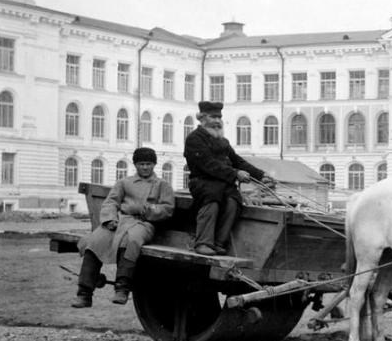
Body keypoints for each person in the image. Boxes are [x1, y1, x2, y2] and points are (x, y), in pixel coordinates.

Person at [71, 147, 174, 308]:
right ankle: (84, 293)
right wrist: (110, 219)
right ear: (135, 165)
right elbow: (111, 202)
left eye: (148, 164)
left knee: (131, 241)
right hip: (120, 220)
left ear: (154, 164)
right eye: (141, 164)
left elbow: (168, 208)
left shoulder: (162, 185)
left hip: (144, 223)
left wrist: (152, 210)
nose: (145, 167)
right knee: (94, 242)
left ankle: (122, 288)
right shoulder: (124, 183)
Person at [184, 101, 275, 256]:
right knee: (212, 199)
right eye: (213, 117)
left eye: (219, 117)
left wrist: (260, 175)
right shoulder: (194, 139)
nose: (217, 121)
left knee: (234, 201)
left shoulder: (222, 141)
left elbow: (237, 160)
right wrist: (235, 174)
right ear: (202, 118)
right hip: (201, 182)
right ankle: (203, 243)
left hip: (222, 183)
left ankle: (219, 242)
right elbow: (208, 164)